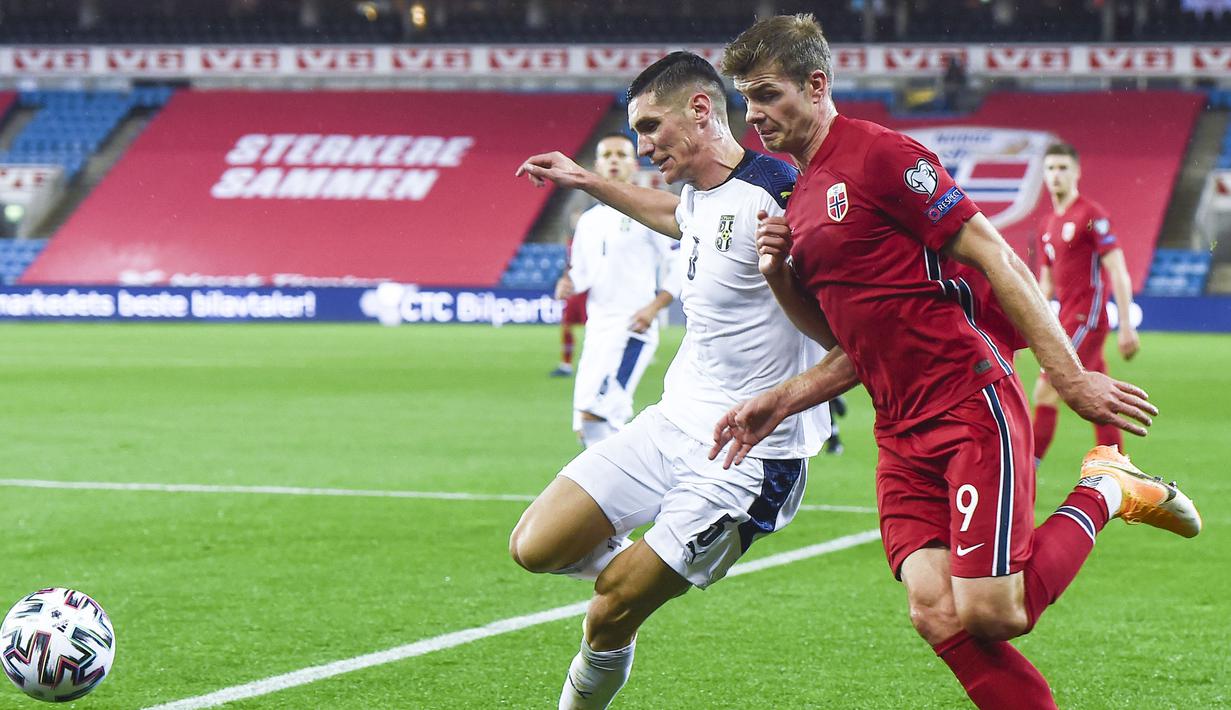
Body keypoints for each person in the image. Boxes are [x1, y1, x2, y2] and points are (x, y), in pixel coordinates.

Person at [710, 14, 1202, 709]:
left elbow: (993, 254)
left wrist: (1066, 376)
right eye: (746, 98)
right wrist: (779, 297)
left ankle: (1107, 488)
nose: (753, 115)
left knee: (994, 613)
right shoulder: (803, 195)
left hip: (967, 405)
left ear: (816, 86)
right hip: (898, 430)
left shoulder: (881, 155)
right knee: (935, 612)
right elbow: (851, 343)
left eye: (765, 95)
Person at [510, 51, 839, 710]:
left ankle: (648, 581)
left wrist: (787, 399)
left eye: (650, 126)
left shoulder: (779, 193)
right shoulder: (698, 198)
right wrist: (585, 180)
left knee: (609, 613)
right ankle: (662, 556)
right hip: (670, 424)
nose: (641, 145)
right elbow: (677, 217)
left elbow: (852, 338)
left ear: (699, 110)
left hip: (749, 458)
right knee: (533, 546)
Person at [555, 132, 681, 447]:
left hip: (631, 327)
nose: (613, 161)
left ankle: (639, 483)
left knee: (598, 417)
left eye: (621, 155)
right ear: (597, 164)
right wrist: (569, 284)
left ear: (633, 163)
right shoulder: (589, 220)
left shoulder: (648, 210)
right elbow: (583, 273)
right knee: (587, 425)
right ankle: (619, 491)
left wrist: (654, 308)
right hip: (597, 329)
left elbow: (679, 264)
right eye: (607, 155)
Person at [1031, 142, 1141, 468]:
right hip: (1065, 319)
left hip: (1087, 318)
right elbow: (1045, 285)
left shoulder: (1091, 216)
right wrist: (1023, 327)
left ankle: (1025, 474)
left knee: (1046, 391)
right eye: (1050, 169)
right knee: (1103, 402)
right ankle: (1119, 471)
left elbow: (1118, 271)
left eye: (1063, 168)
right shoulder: (1047, 225)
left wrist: (1126, 326)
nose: (1056, 175)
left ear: (1077, 172)